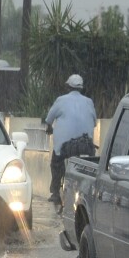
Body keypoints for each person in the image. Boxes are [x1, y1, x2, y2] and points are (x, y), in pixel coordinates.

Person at [44, 74, 97, 205]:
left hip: (65, 146)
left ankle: (55, 193)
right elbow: (95, 122)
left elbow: (49, 119)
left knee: (56, 163)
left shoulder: (61, 100)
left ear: (68, 87)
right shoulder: (89, 102)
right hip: (85, 145)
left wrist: (49, 127)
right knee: (88, 167)